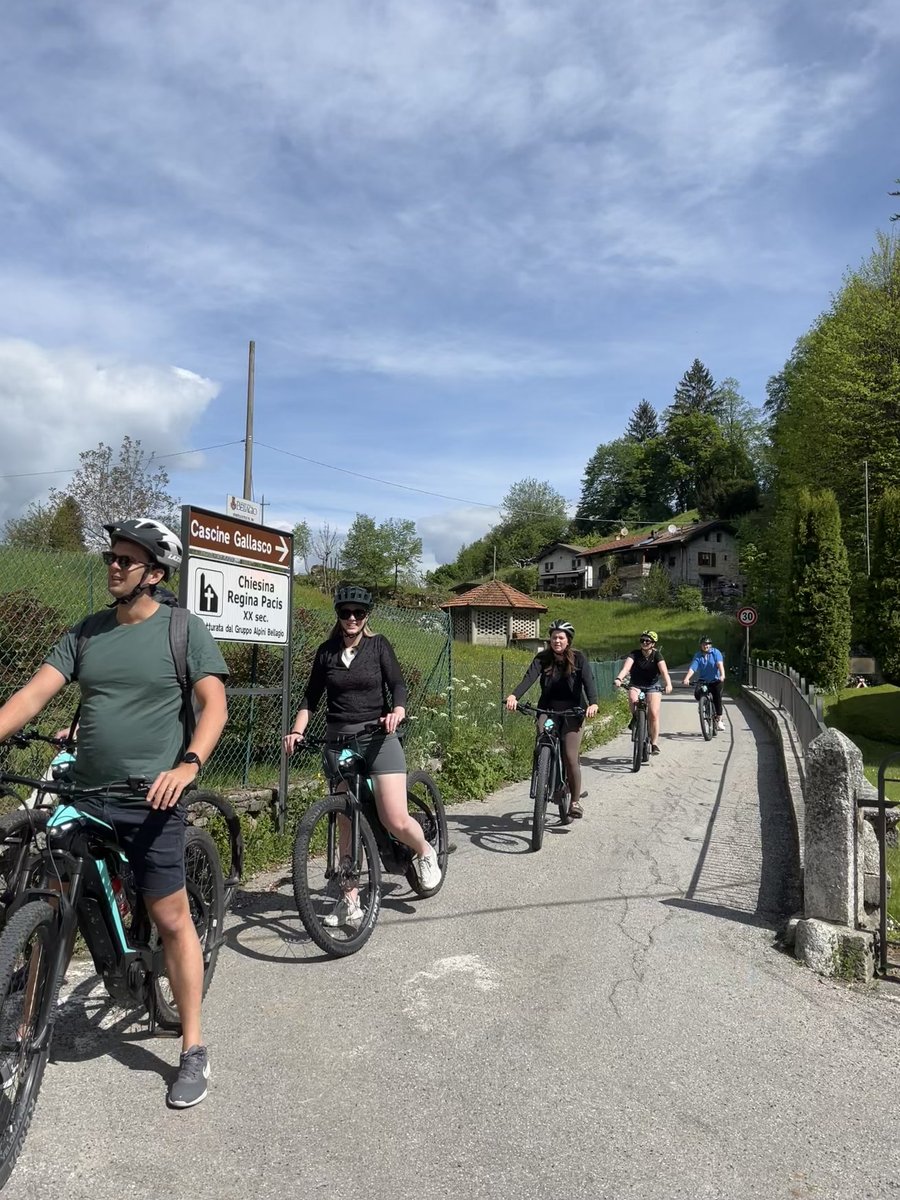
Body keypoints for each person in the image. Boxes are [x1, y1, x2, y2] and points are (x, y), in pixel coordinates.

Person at [0, 518, 229, 1109]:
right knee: (40, 880)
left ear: (154, 574)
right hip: (86, 792)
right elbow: (31, 695)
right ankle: (26, 999)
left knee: (173, 916)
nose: (114, 567)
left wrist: (188, 766)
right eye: (111, 557)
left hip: (153, 798)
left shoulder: (182, 630)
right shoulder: (88, 633)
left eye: (127, 561)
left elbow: (214, 704)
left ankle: (194, 1047)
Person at [283, 585, 441, 925]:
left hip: (377, 738)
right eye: (345, 612)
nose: (352, 618)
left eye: (358, 613)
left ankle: (425, 851)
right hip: (338, 742)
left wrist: (397, 710)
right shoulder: (326, 652)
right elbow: (310, 698)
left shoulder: (378, 645)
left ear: (367, 615)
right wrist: (297, 730)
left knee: (394, 818)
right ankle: (349, 900)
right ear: (338, 615)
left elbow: (398, 684)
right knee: (345, 821)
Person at [505, 619, 599, 819]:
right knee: (543, 741)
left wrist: (593, 703)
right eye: (554, 637)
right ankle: (544, 777)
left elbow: (588, 682)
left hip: (573, 712)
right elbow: (528, 678)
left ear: (568, 640)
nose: (557, 640)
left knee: (570, 756)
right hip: (547, 709)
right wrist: (514, 696)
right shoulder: (542, 658)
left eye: (561, 637)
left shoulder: (579, 658)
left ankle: (575, 801)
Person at [613, 630, 673, 755]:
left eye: (648, 641)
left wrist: (668, 684)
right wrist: (619, 678)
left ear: (653, 644)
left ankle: (654, 743)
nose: (644, 643)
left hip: (652, 686)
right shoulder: (634, 654)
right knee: (632, 698)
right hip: (636, 684)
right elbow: (626, 668)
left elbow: (664, 672)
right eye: (642, 640)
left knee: (654, 714)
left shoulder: (657, 656)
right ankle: (636, 717)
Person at [682, 635, 726, 732]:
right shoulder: (698, 655)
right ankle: (704, 705)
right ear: (701, 645)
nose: (706, 646)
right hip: (703, 680)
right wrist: (687, 678)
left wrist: (722, 675)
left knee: (717, 698)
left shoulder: (716, 652)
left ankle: (719, 719)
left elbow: (720, 664)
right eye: (704, 644)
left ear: (710, 645)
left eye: (708, 644)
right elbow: (693, 668)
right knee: (697, 693)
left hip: (716, 680)